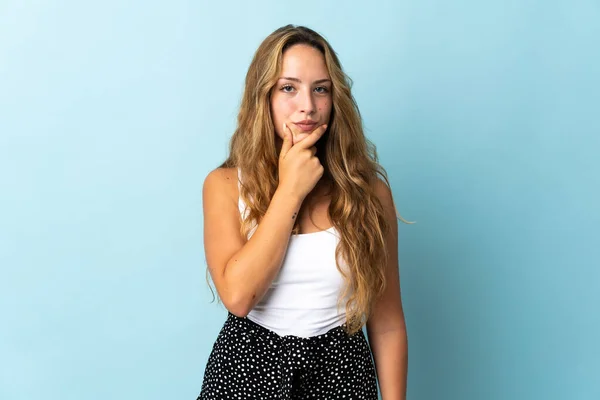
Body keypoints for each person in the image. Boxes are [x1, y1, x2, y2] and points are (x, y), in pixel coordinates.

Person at [198, 24, 408, 400]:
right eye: (288, 87)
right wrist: (290, 191)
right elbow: (239, 297)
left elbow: (388, 321)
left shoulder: (370, 194)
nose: (307, 106)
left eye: (321, 89)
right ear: (264, 97)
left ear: (334, 98)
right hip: (245, 375)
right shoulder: (225, 185)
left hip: (343, 377)